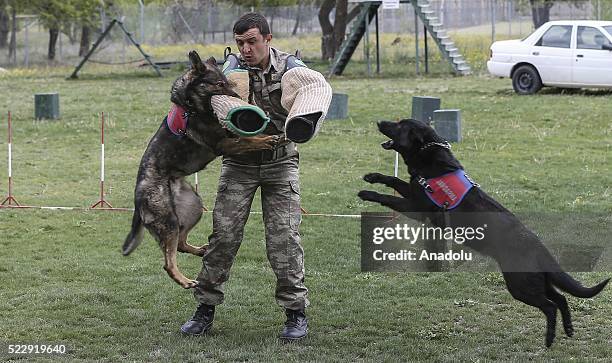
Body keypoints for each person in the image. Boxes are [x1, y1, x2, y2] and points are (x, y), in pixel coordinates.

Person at [180, 12, 331, 341]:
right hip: (239, 164)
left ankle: (295, 314)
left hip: (281, 162)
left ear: (268, 39)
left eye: (252, 42)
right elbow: (202, 98)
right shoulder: (229, 71)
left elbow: (315, 90)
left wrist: (305, 115)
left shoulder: (291, 68)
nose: (246, 49)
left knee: (284, 240)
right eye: (240, 43)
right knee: (223, 238)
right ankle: (204, 309)